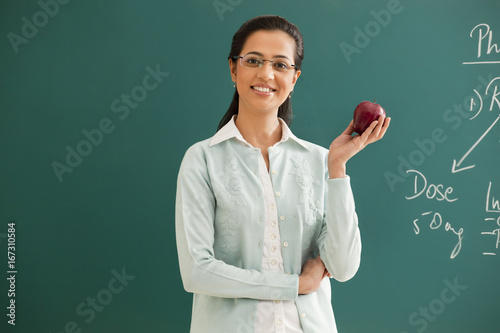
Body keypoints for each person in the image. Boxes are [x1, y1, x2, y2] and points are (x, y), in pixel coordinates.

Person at [175, 15, 390, 333]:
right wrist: (295, 285)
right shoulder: (202, 159)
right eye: (253, 61)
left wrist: (337, 168)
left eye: (280, 64)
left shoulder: (319, 160)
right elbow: (197, 272)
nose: (265, 73)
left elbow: (343, 268)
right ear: (233, 69)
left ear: (294, 78)